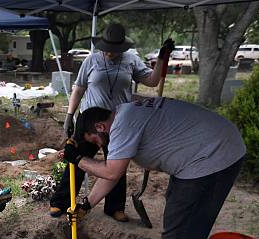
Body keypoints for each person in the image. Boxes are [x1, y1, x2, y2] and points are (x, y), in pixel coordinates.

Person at [65, 97, 246, 239]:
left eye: (95, 141)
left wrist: (77, 159)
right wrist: (87, 204)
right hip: (204, 151)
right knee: (178, 216)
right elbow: (112, 174)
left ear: (100, 127)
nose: (100, 146)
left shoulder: (122, 125)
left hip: (213, 155)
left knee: (183, 226)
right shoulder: (125, 113)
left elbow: (111, 171)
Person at [50, 23, 174, 223]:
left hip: (118, 122)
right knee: (77, 159)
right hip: (89, 120)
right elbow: (79, 89)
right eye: (106, 48)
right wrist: (69, 115)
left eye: (114, 50)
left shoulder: (131, 61)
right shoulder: (91, 60)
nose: (109, 53)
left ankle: (114, 207)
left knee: (116, 164)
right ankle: (62, 200)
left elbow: (152, 81)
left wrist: (161, 59)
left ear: (122, 47)